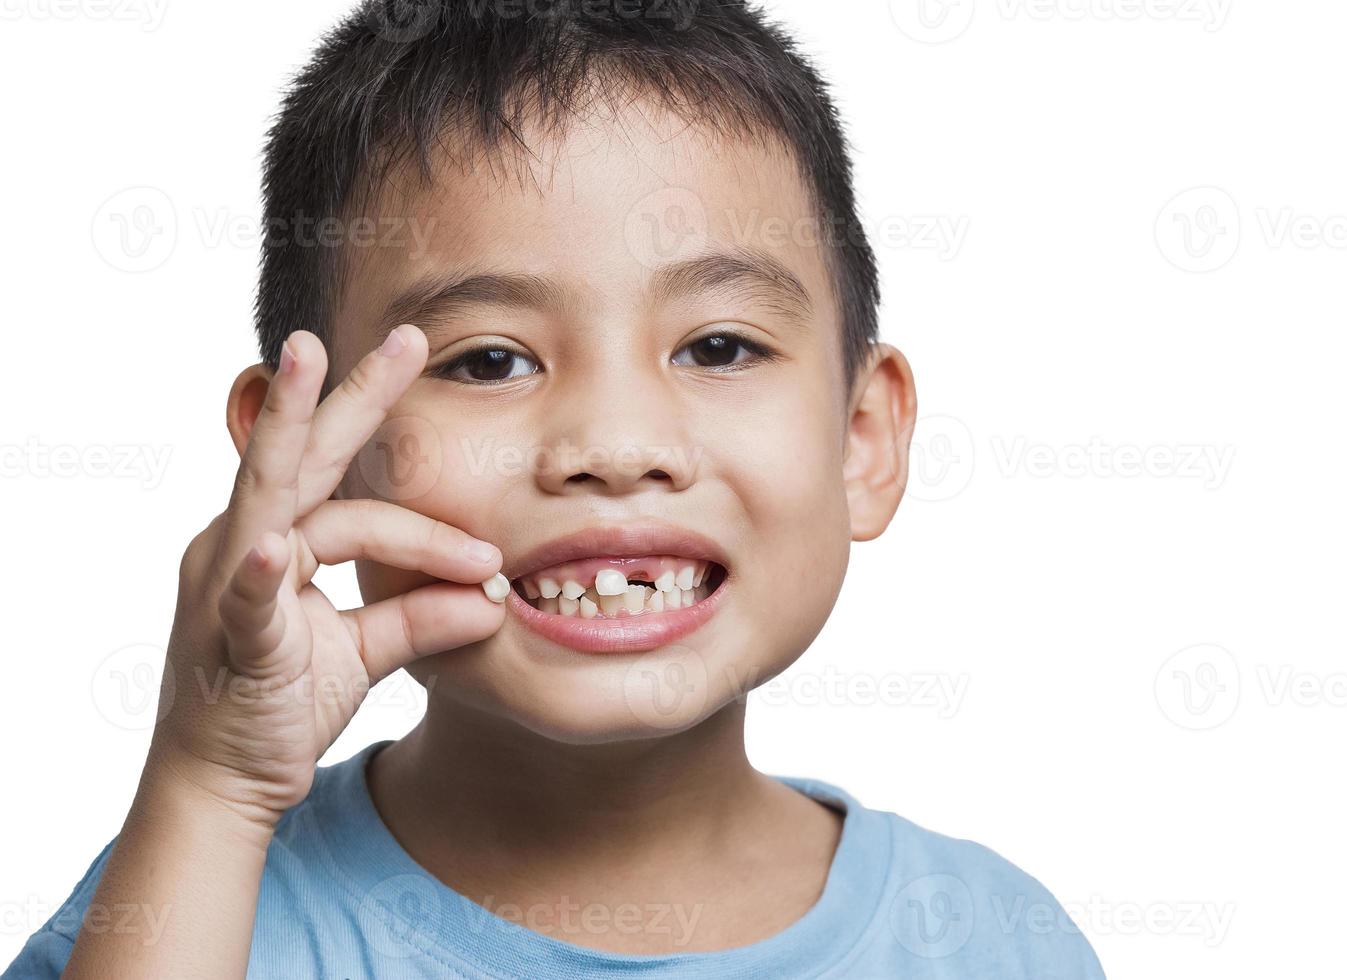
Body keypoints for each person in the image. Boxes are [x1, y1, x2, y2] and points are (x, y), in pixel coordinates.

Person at [6, 2, 1105, 976]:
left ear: (864, 436)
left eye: (718, 345)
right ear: (297, 459)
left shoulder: (991, 936)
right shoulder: (194, 903)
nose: (616, 444)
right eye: (488, 358)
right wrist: (209, 786)